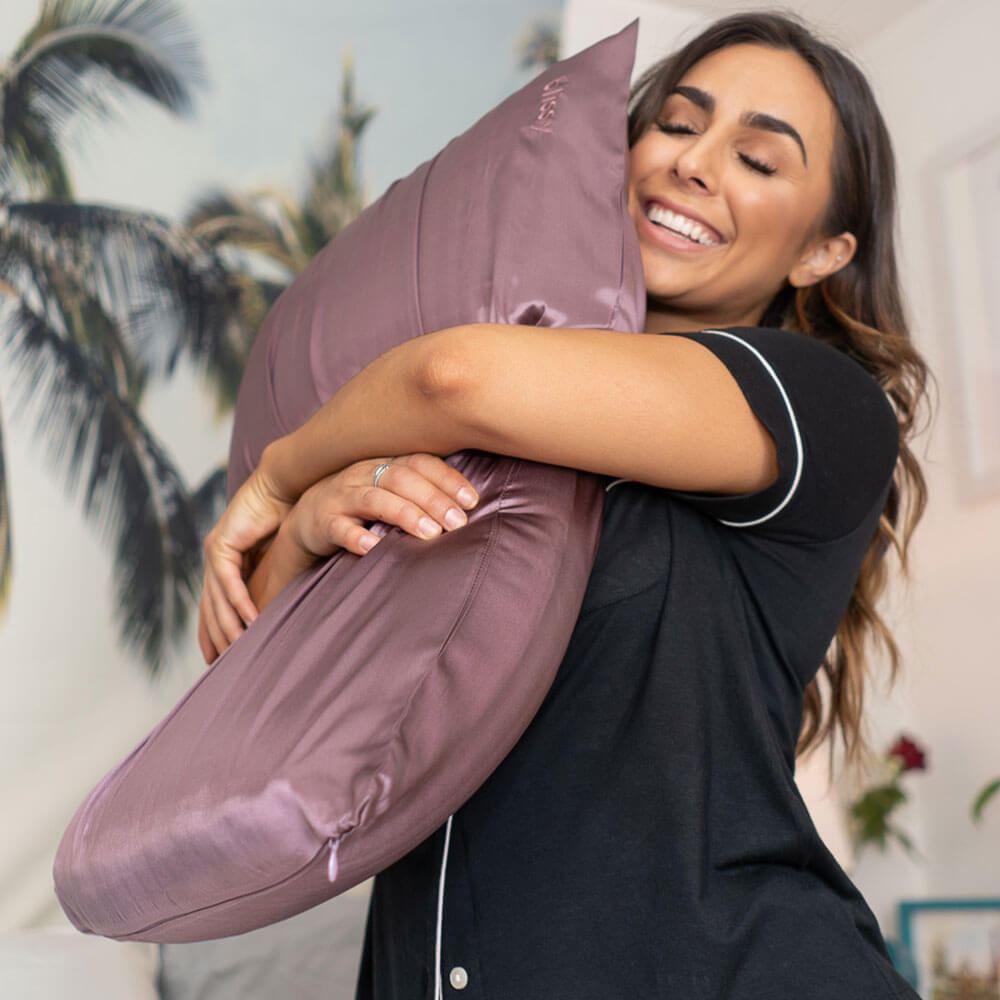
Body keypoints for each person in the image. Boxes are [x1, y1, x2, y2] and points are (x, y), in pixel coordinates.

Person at [198, 11, 930, 999]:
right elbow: (251, 684)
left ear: (821, 253)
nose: (694, 163)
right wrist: (310, 520)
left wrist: (279, 473)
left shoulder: (824, 408)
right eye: (678, 124)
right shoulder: (467, 440)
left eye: (758, 158)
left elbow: (453, 375)